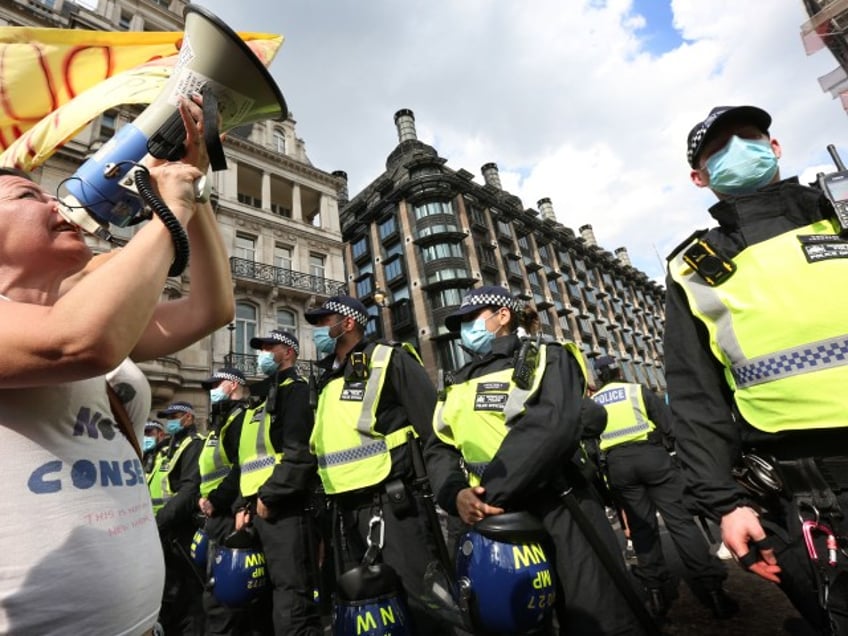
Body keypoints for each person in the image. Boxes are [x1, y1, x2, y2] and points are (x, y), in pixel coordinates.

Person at [0, 94, 234, 635]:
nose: (56, 203)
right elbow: (78, 343)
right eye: (26, 193)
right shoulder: (74, 324)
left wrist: (192, 191)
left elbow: (211, 308)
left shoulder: (78, 308)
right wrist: (167, 207)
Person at [665, 104, 848, 633]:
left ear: (774, 146)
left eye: (747, 137)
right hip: (809, 495)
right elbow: (696, 397)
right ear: (699, 178)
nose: (736, 152)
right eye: (717, 150)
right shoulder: (694, 267)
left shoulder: (840, 209)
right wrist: (726, 505)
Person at [424, 285, 644, 635]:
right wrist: (454, 495)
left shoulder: (548, 357)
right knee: (509, 620)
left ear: (503, 315)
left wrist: (487, 496)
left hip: (559, 503)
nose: (465, 329)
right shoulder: (456, 382)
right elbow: (438, 447)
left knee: (595, 616)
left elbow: (550, 428)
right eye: (460, 322)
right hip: (491, 516)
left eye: (471, 318)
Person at [306, 295, 453, 634]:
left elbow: (434, 431)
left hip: (392, 505)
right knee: (364, 610)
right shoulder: (327, 379)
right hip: (343, 512)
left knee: (423, 605)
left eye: (324, 320)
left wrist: (448, 489)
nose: (318, 329)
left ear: (349, 322)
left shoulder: (391, 358)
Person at [587, 355, 736, 620]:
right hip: (653, 458)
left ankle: (655, 592)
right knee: (680, 522)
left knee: (642, 529)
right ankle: (713, 591)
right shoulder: (636, 390)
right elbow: (669, 425)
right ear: (619, 370)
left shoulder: (593, 402)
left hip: (619, 466)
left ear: (598, 377)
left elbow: (590, 445)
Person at [232, 329, 322, 635]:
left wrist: (269, 496)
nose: (263, 352)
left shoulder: (296, 390)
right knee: (258, 598)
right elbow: (247, 462)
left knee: (291, 600)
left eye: (271, 346)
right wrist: (243, 504)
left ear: (289, 352)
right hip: (255, 510)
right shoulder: (258, 398)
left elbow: (299, 454)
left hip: (283, 509)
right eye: (261, 347)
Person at [196, 367, 260, 636]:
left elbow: (241, 466)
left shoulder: (238, 418)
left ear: (233, 385)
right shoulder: (223, 421)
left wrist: (219, 500)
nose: (212, 390)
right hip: (217, 513)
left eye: (217, 383)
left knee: (223, 594)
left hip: (228, 514)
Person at [150, 400, 206, 635]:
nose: (170, 420)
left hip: (180, 531)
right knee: (169, 596)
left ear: (189, 418)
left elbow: (188, 491)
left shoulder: (193, 445)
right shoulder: (168, 449)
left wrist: (159, 521)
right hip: (164, 532)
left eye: (175, 416)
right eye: (168, 416)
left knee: (188, 597)